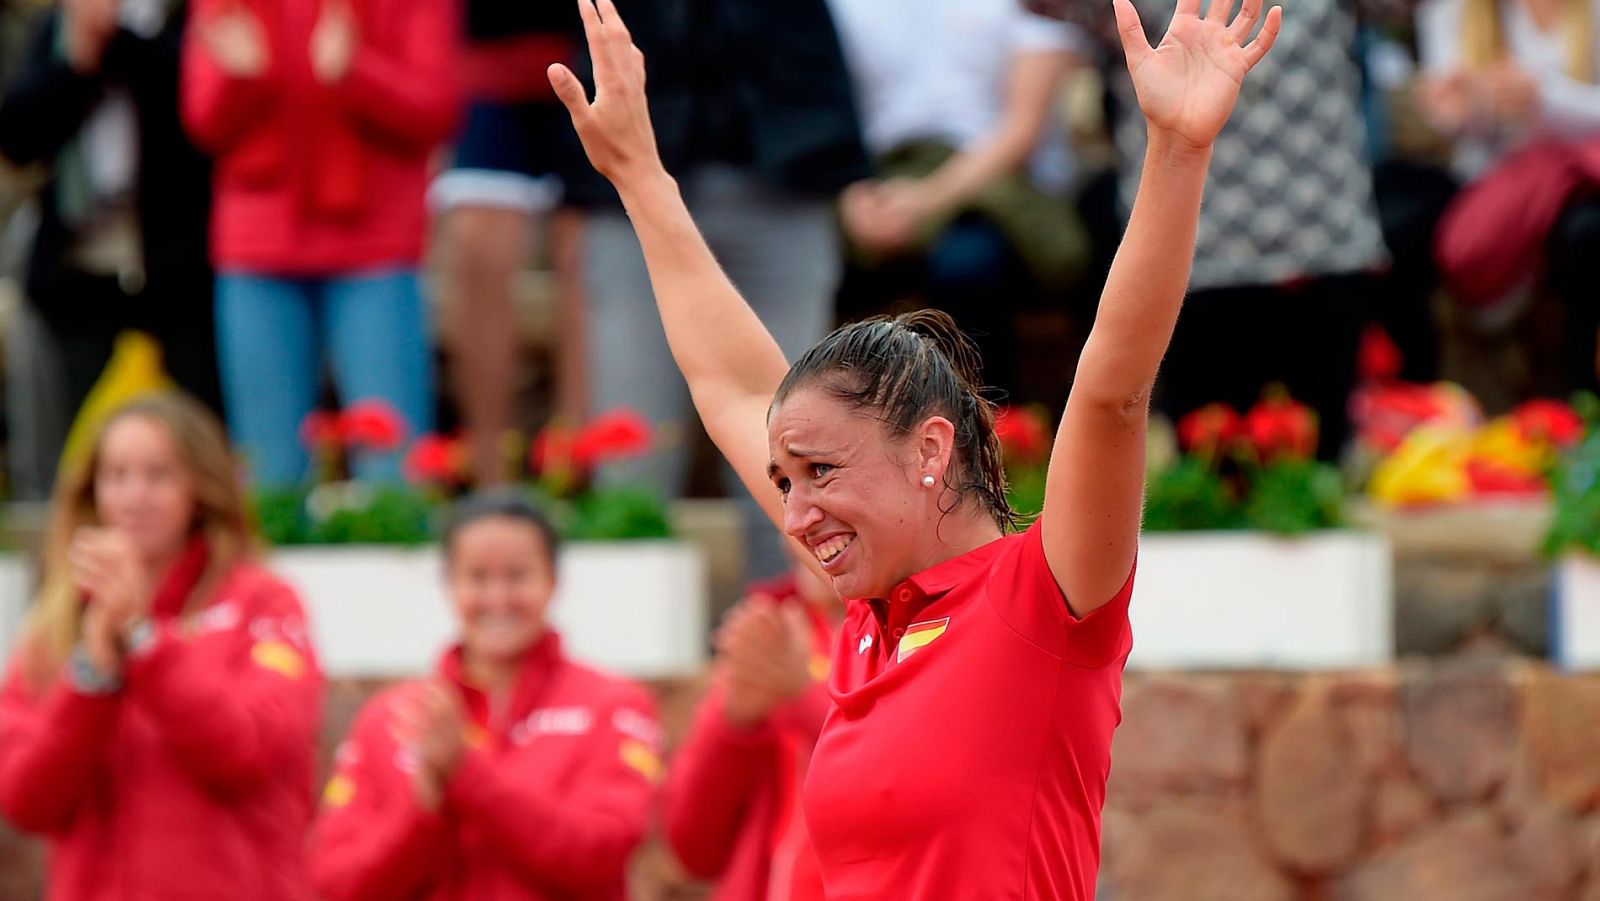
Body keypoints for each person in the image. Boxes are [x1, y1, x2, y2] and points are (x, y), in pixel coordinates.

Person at [546, 0, 1279, 896]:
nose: (795, 509)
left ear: (930, 449)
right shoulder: (869, 623)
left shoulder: (1046, 597)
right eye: (784, 478)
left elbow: (1114, 390)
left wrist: (1177, 151)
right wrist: (640, 177)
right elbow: (731, 387)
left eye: (820, 472)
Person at [567, 0, 870, 586]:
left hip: (788, 176)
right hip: (623, 186)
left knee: (795, 433)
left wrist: (852, 168)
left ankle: (790, 646)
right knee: (632, 445)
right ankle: (630, 649)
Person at [0, 391, 324, 899]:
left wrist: (144, 641)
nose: (134, 495)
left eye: (158, 474)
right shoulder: (56, 624)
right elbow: (25, 799)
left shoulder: (264, 602)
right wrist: (92, 674)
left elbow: (246, 753)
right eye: (117, 475)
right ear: (93, 492)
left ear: (200, 486)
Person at [309, 491, 663, 901]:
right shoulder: (389, 717)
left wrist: (467, 775)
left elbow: (600, 857)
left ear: (552, 581)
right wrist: (422, 809)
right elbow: (335, 883)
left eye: (517, 575)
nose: (498, 598)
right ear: (449, 583)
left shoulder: (614, 706)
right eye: (477, 576)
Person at [180, 0, 458, 485]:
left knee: (392, 466)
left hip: (374, 245)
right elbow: (202, 120)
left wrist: (356, 73)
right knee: (271, 470)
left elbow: (435, 109)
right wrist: (240, 77)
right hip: (258, 249)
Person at [0, 0, 223, 495]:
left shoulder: (190, 17)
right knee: (81, 458)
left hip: (178, 278)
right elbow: (17, 132)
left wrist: (115, 41)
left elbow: (200, 114)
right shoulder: (60, 26)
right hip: (81, 272)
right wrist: (76, 63)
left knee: (191, 449)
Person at [828, 0, 1090, 402]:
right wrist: (851, 196)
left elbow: (1022, 130)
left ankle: (990, 433)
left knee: (968, 268)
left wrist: (924, 200)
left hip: (989, 190)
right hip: (874, 180)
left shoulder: (1026, 9)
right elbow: (819, 106)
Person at [430, 0, 588, 482]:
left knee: (589, 261)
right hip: (483, 69)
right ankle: (489, 473)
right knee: (478, 250)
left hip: (594, 60)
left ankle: (576, 469)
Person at [1415, 0, 1600, 393]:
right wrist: (1462, 111)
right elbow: (1462, 138)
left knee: (1585, 235)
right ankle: (1436, 400)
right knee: (1406, 222)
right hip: (1494, 186)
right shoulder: (1451, 11)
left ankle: (1580, 400)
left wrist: (1544, 98)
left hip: (1581, 181)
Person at [663, 547, 841, 900]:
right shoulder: (768, 636)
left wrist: (804, 697)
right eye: (786, 491)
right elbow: (693, 851)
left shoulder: (929, 636)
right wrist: (733, 729)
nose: (801, 515)